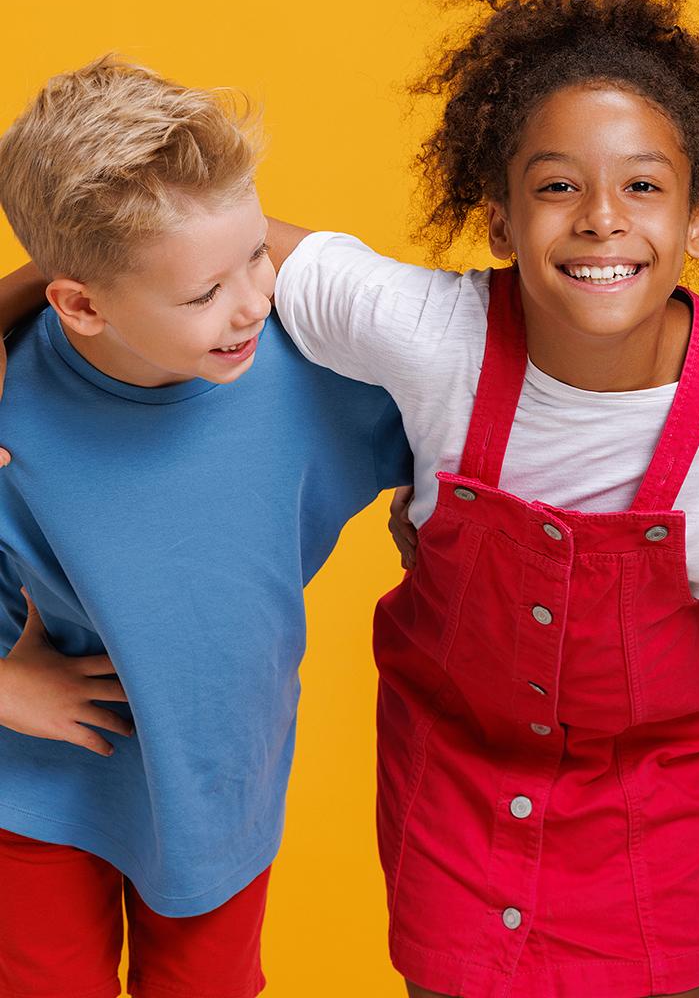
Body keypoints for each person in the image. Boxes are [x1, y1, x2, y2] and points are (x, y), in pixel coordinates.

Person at [265, 0, 699, 998]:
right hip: (453, 785)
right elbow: (201, 238)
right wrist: (20, 298)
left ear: (698, 220)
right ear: (499, 219)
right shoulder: (432, 332)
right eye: (556, 186)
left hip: (655, 813)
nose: (600, 218)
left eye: (642, 186)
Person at [0, 56, 408, 998]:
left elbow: (469, 397)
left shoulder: (315, 368)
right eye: (202, 295)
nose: (254, 302)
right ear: (79, 304)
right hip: (35, 790)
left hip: (221, 789)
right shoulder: (13, 403)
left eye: (257, 254)